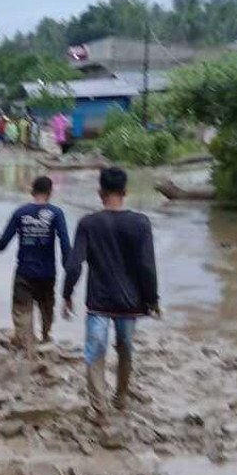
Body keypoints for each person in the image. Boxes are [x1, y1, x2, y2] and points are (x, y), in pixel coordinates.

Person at [61, 167, 159, 423]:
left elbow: (74, 264)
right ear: (125, 192)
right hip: (130, 304)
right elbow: (147, 265)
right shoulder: (141, 223)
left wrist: (67, 293)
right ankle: (121, 397)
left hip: (99, 303)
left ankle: (100, 407)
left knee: (95, 351)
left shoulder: (88, 224)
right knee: (125, 349)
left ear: (100, 193)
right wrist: (153, 300)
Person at [0, 176, 71, 354]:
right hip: (47, 273)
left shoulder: (21, 212)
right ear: (50, 193)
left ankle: (26, 346)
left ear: (32, 191)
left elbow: (4, 240)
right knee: (46, 310)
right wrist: (70, 273)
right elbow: (65, 245)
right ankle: (45, 338)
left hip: (24, 272)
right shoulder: (56, 213)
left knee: (22, 311)